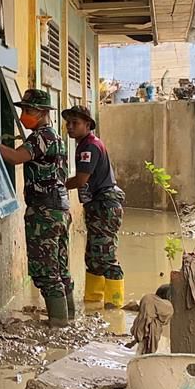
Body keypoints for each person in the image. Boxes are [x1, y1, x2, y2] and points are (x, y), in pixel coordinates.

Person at [0, 89, 74, 327]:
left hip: (45, 212)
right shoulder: (56, 137)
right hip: (59, 209)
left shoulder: (42, 137)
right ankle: (68, 317)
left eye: (28, 111)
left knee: (46, 269)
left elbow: (16, 157)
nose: (23, 116)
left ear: (41, 113)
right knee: (60, 267)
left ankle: (58, 325)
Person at [62, 105, 126, 307]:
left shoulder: (89, 146)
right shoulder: (86, 144)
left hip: (104, 205)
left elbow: (81, 180)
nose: (70, 127)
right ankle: (93, 302)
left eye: (75, 123)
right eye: (68, 123)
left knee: (106, 256)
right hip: (98, 205)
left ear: (87, 125)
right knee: (93, 255)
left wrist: (58, 185)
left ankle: (115, 307)